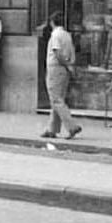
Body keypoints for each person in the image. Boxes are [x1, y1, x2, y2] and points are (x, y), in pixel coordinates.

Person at [41, 11, 82, 140]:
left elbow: (57, 53)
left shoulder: (55, 35)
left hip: (56, 68)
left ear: (52, 22)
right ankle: (52, 129)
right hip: (64, 69)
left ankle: (72, 126)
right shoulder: (67, 35)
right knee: (58, 99)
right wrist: (70, 66)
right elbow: (71, 52)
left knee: (56, 99)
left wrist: (65, 64)